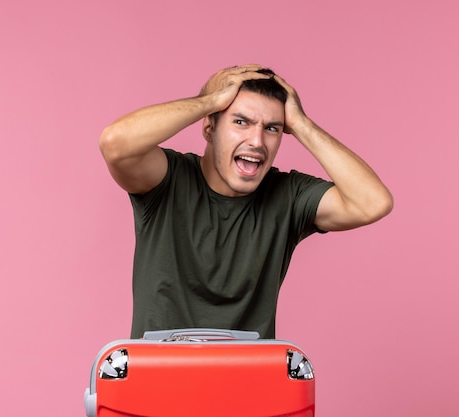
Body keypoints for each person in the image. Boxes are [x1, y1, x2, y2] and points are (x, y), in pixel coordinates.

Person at [100, 64, 393, 339]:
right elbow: (116, 143)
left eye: (272, 128)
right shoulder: (168, 179)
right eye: (241, 122)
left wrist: (302, 124)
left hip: (250, 386)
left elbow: (372, 203)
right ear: (209, 128)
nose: (257, 141)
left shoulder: (288, 195)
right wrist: (211, 101)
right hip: (156, 382)